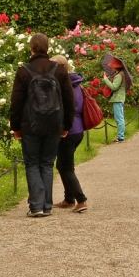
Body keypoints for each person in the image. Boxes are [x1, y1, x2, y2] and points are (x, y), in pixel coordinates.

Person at [9, 34, 74, 217]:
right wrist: (66, 124)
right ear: (47, 48)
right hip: (54, 123)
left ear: (31, 48)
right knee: (47, 163)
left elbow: (17, 102)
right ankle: (46, 205)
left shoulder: (24, 71)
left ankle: (36, 206)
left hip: (31, 124)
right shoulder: (59, 70)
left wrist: (15, 127)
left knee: (32, 163)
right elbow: (69, 101)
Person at [51, 55, 88, 212]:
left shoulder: (63, 86)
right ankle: (69, 199)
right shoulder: (76, 83)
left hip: (68, 131)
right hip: (78, 130)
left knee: (65, 167)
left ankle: (81, 200)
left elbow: (65, 110)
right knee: (65, 165)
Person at [101, 55, 131, 143]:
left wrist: (106, 79)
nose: (112, 68)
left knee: (119, 119)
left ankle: (121, 137)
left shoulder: (119, 76)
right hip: (120, 98)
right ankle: (120, 136)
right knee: (119, 118)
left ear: (116, 67)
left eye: (113, 67)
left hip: (118, 99)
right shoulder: (121, 74)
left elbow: (114, 87)